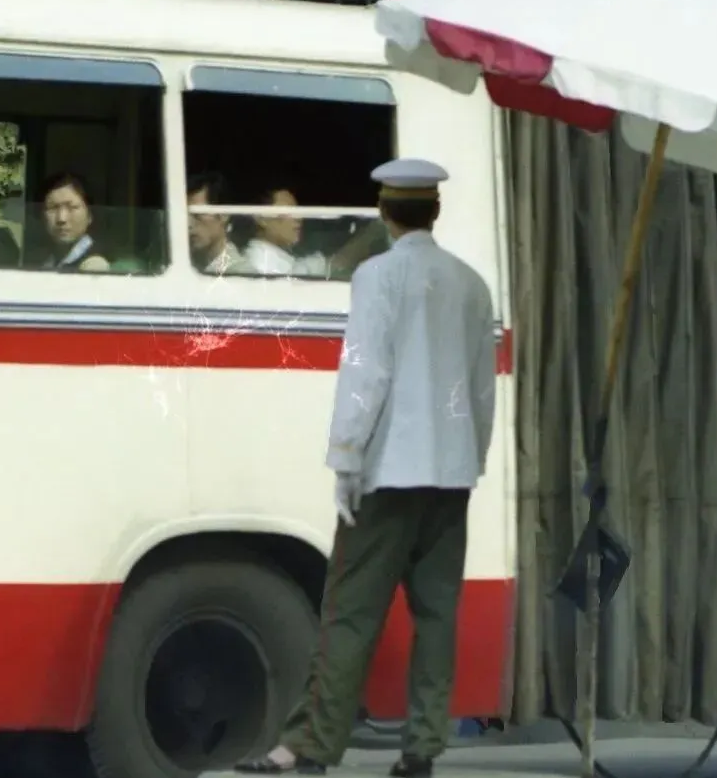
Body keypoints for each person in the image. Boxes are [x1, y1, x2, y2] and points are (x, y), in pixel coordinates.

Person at [235, 158, 497, 778]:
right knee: (437, 616)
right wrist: (471, 457)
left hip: (387, 474)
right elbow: (482, 387)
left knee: (350, 614)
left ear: (384, 213)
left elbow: (366, 371)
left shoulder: (377, 276)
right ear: (435, 210)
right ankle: (422, 748)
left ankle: (309, 745)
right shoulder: (471, 284)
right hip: (451, 476)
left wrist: (346, 459)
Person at [40, 172, 110, 272]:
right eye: (53, 208)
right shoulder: (45, 260)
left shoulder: (96, 264)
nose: (61, 218)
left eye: (72, 207)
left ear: (90, 214)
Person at [187, 172, 253, 275]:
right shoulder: (190, 269)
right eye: (185, 216)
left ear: (224, 214)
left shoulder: (241, 274)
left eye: (197, 214)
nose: (189, 224)